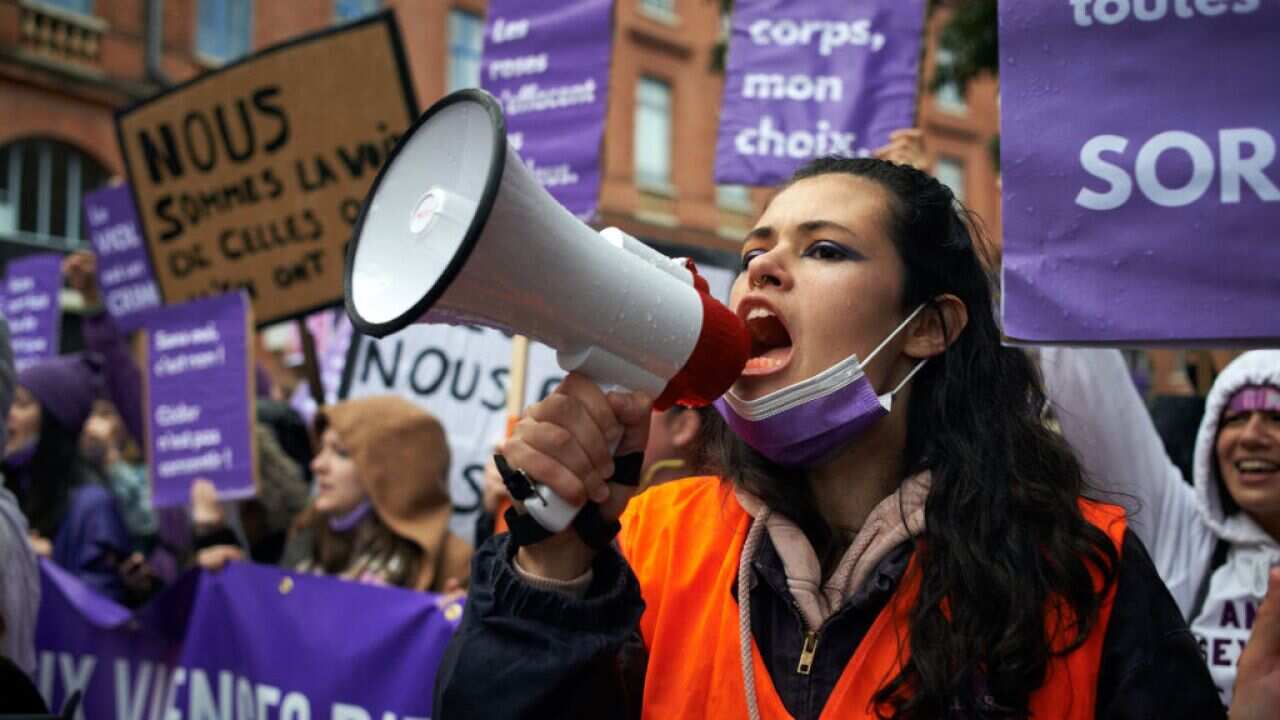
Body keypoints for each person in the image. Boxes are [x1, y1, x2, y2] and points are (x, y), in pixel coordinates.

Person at [434, 157, 1222, 718]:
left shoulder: (1079, 567)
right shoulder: (650, 537)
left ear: (930, 327)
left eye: (824, 250)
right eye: (755, 253)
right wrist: (551, 570)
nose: (764, 270)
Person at [1041, 347, 1280, 707]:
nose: (1251, 436)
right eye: (1234, 418)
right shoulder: (1185, 534)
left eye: (1276, 418)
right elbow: (1090, 380)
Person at [199, 396, 472, 592]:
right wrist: (231, 575)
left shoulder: (452, 563)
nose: (317, 465)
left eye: (340, 453)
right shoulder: (307, 535)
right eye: (321, 449)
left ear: (390, 470)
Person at [3, 353, 132, 603]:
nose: (6, 414)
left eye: (20, 403)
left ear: (53, 420)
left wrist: (49, 572)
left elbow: (102, 613)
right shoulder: (11, 492)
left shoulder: (93, 506)